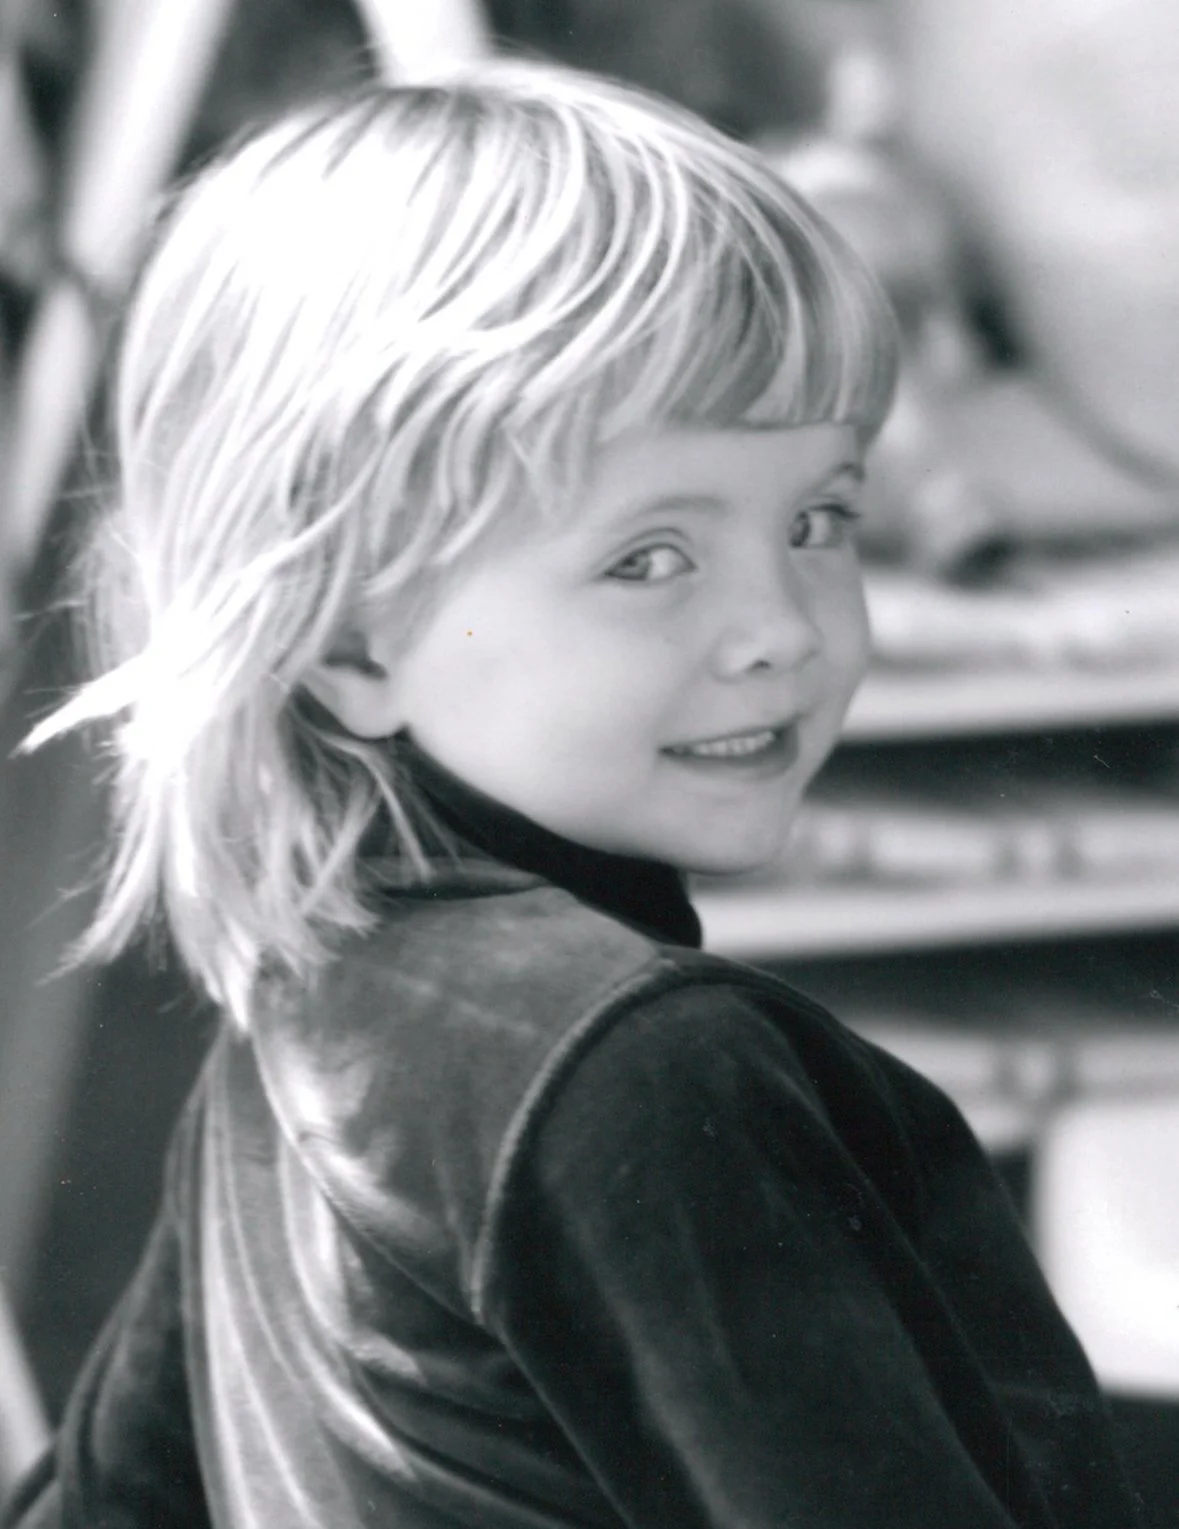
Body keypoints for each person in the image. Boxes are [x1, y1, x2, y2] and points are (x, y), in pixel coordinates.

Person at [2, 61, 1141, 1529]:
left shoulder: (304, 1014)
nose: (784, 627)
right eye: (648, 557)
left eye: (819, 518)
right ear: (345, 640)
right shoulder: (641, 1067)